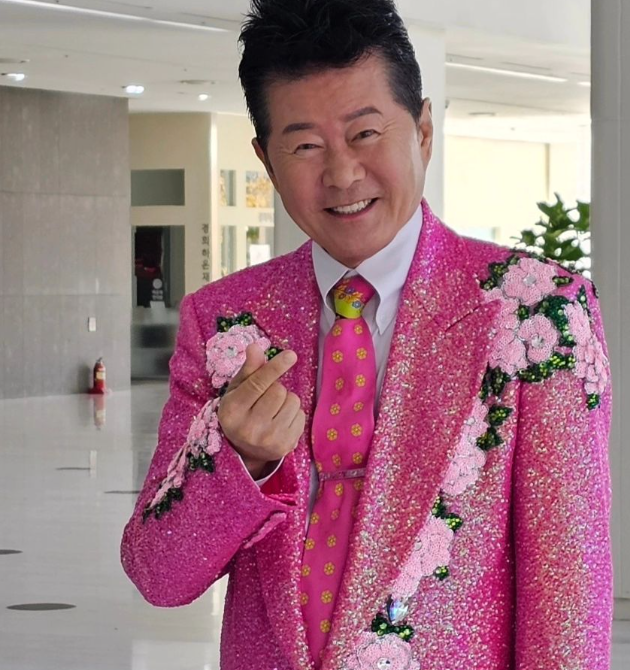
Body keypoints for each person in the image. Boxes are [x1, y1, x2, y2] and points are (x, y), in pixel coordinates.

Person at [121, 1, 613, 668]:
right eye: (305, 146)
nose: (342, 174)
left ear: (424, 130)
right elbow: (159, 574)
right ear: (266, 159)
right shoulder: (227, 321)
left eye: (366, 133)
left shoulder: (535, 314)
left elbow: (567, 597)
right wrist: (241, 459)